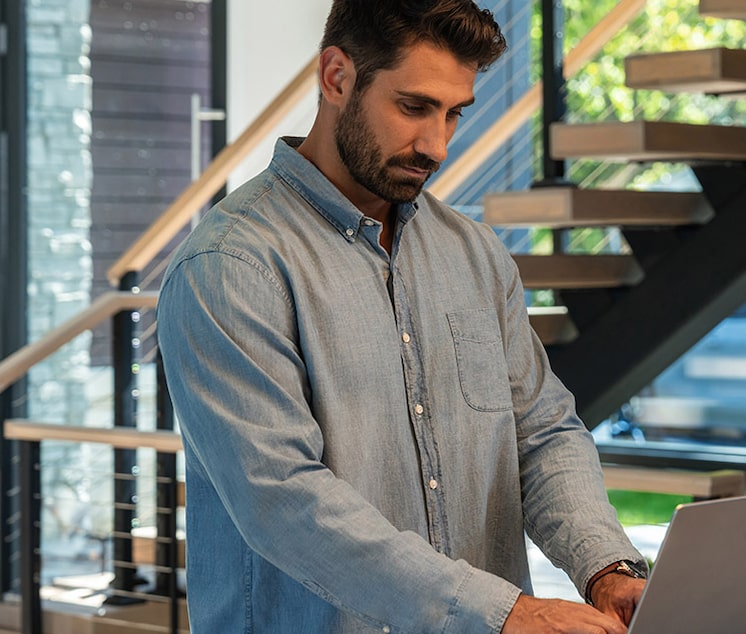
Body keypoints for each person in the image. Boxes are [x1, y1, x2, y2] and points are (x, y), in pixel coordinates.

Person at [156, 1, 648, 631]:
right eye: (414, 107)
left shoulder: (474, 254)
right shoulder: (230, 266)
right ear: (337, 77)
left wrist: (606, 566)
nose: (436, 145)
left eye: (454, 113)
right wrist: (502, 615)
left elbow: (542, 432)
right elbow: (282, 498)